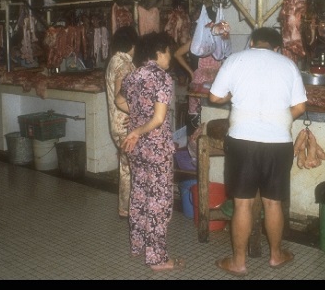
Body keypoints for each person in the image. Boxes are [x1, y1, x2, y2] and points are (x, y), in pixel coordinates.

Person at [208, 27, 307, 277]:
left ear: (251, 42)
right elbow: (301, 106)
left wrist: (234, 94)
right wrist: (279, 119)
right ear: (277, 47)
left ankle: (238, 262)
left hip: (243, 141)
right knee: (273, 203)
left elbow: (215, 97)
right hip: (278, 142)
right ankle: (276, 255)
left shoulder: (236, 59)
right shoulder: (288, 65)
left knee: (243, 205)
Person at [114, 31, 185, 272]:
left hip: (137, 150)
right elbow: (158, 118)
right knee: (159, 202)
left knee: (140, 196)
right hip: (156, 148)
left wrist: (134, 120)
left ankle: (139, 246)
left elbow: (119, 101)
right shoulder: (162, 78)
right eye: (168, 53)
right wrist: (138, 130)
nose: (170, 58)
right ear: (160, 51)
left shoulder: (133, 76)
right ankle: (157, 259)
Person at [104, 26, 139, 219]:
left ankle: (125, 209)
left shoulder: (113, 61)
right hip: (125, 124)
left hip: (116, 123)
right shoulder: (124, 65)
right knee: (131, 168)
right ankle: (131, 209)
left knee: (126, 167)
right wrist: (137, 114)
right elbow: (120, 96)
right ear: (132, 44)